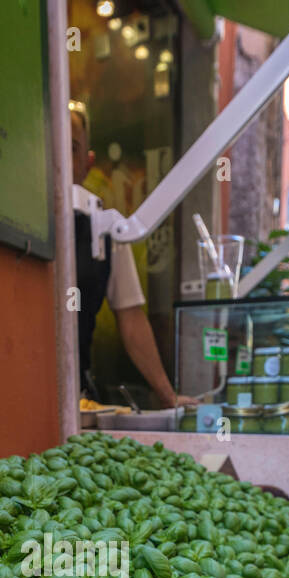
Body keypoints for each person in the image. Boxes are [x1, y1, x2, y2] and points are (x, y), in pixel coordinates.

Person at [70, 103, 196, 409]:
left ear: (88, 163)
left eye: (71, 148)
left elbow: (131, 317)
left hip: (77, 396)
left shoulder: (107, 225)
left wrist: (168, 396)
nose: (59, 155)